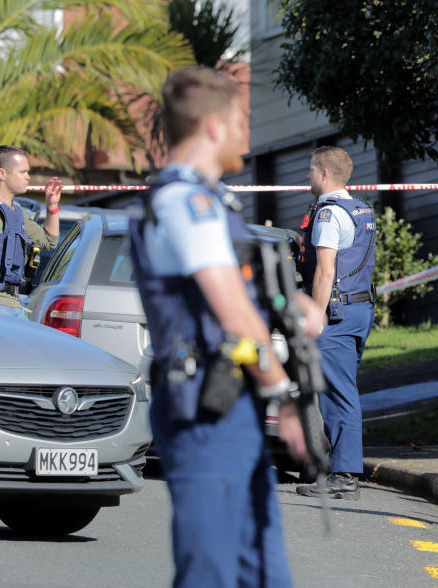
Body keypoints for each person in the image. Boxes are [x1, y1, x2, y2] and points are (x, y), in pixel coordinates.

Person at [128, 67, 312, 587]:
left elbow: (238, 299)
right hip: (204, 407)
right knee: (210, 570)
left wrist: (294, 306)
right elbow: (233, 312)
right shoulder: (186, 202)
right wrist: (285, 395)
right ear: (212, 126)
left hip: (228, 401)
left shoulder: (207, 200)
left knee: (261, 568)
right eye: (239, 122)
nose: (244, 137)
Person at [295, 146, 376, 500]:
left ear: (325, 174)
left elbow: (326, 271)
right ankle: (340, 469)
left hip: (337, 315)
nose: (307, 176)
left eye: (311, 170)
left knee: (339, 392)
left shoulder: (328, 215)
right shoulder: (361, 208)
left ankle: (344, 474)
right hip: (360, 311)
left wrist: (314, 314)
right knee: (338, 388)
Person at [0, 145, 63, 317]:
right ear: (2, 174)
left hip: (13, 304)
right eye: (22, 172)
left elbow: (49, 241)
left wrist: (52, 206)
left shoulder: (16, 213)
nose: (28, 177)